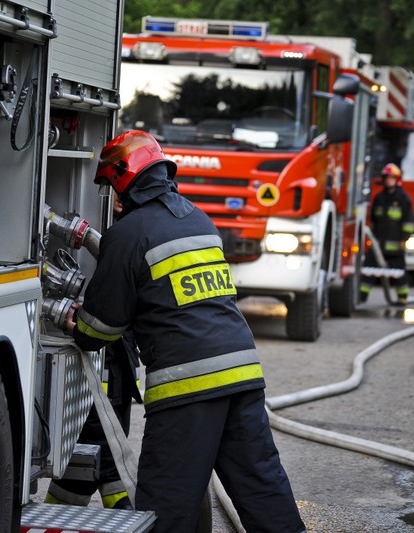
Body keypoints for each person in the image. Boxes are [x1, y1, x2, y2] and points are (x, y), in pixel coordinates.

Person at [64, 130, 306, 533]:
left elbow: (101, 327)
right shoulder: (197, 217)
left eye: (111, 185)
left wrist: (76, 323)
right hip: (243, 374)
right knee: (261, 487)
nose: (114, 197)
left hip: (187, 385)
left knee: (167, 503)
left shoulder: (127, 234)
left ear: (125, 176)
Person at [45, 199, 142, 511]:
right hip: (113, 354)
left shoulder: (132, 230)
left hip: (111, 355)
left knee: (104, 444)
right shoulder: (142, 222)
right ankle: (65, 507)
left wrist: (83, 327)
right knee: (92, 446)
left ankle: (124, 512)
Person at [359, 163, 414, 305]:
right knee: (368, 270)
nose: (388, 181)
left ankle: (402, 298)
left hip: (396, 245)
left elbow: (408, 221)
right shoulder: (379, 198)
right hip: (378, 244)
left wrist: (404, 239)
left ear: (397, 180)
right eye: (387, 178)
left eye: (391, 178)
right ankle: (361, 297)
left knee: (399, 273)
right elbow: (373, 220)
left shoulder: (403, 198)